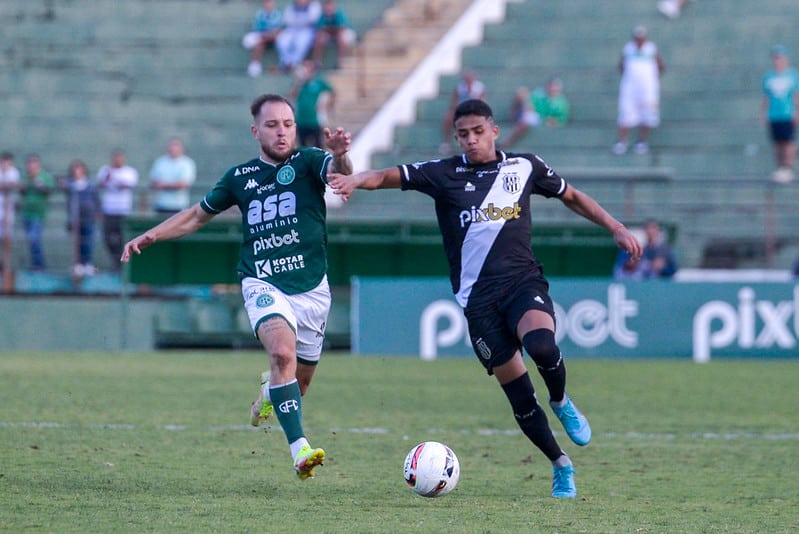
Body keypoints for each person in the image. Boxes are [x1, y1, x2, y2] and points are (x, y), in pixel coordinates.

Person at [328, 99, 642, 498]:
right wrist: (355, 179)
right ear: (456, 136)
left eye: (478, 132)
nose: (471, 140)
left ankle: (561, 400)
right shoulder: (444, 174)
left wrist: (614, 226)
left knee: (543, 346)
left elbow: (573, 196)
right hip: (478, 302)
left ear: (494, 130)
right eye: (463, 134)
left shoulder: (525, 166)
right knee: (521, 397)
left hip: (522, 283)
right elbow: (386, 176)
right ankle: (561, 464)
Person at [121, 93, 353, 481]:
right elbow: (196, 216)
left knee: (299, 384)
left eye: (288, 125)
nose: (281, 132)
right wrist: (152, 235)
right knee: (282, 353)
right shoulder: (239, 178)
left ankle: (268, 395)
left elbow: (340, 173)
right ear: (255, 131)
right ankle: (300, 451)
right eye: (272, 125)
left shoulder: (311, 160)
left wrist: (342, 155)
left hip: (312, 289)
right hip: (262, 280)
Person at [612, 26, 664, 156]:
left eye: (641, 38)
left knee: (647, 114)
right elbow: (621, 65)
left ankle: (642, 142)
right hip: (630, 88)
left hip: (648, 89)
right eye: (637, 38)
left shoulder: (651, 49)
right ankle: (622, 142)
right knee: (626, 114)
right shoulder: (628, 49)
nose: (639, 41)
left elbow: (661, 66)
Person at [760, 45, 799, 184]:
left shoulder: (792, 75)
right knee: (777, 143)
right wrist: (763, 114)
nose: (778, 61)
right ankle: (780, 169)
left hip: (788, 114)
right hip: (773, 115)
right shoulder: (768, 77)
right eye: (776, 58)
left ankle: (788, 168)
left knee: (788, 142)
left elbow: (796, 95)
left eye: (780, 58)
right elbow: (765, 97)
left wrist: (797, 111)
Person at [97, 149, 139, 271]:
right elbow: (100, 185)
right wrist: (107, 177)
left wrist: (114, 179)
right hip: (109, 210)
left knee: (123, 238)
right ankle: (116, 262)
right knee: (107, 237)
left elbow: (127, 185)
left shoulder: (129, 171)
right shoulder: (105, 170)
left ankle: (123, 264)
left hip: (123, 211)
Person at [500, 78, 570, 148]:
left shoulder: (561, 102)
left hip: (543, 120)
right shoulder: (540, 94)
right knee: (522, 92)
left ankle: (508, 141)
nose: (552, 88)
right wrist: (529, 106)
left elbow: (561, 119)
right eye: (551, 86)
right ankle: (514, 117)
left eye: (555, 86)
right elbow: (529, 100)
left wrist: (551, 121)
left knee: (528, 120)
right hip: (533, 114)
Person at [19, 154, 56, 271]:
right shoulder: (25, 176)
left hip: (38, 214)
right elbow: (22, 192)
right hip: (26, 213)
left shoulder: (45, 176)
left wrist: (41, 186)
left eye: (33, 163)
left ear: (38, 164)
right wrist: (23, 187)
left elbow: (50, 190)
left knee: (33, 238)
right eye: (29, 163)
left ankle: (39, 265)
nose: (31, 165)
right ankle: (35, 264)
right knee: (32, 241)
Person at [65, 160, 101, 278]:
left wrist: (97, 212)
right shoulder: (70, 185)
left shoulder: (90, 184)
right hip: (75, 218)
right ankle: (78, 265)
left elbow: (96, 199)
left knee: (88, 242)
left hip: (88, 217)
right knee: (77, 242)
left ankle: (87, 264)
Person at [440, 70, 487, 154]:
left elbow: (482, 102)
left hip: (475, 110)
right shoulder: (459, 87)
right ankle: (446, 143)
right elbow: (454, 102)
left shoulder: (479, 87)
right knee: (448, 117)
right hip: (461, 110)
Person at [290, 59, 335, 148]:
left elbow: (332, 92)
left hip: (314, 121)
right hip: (301, 121)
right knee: (302, 148)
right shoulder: (300, 83)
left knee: (318, 146)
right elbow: (292, 95)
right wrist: (299, 82)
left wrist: (328, 106)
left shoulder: (318, 82)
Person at [148, 138, 196, 214]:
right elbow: (153, 182)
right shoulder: (160, 162)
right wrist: (173, 185)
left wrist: (164, 185)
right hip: (161, 204)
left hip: (179, 205)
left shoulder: (187, 163)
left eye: (176, 146)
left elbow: (184, 184)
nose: (173, 148)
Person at [276, 0, 322, 72]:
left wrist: (298, 20)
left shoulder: (314, 5)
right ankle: (286, 62)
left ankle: (295, 63)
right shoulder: (292, 6)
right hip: (293, 29)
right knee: (281, 40)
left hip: (308, 30)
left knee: (301, 42)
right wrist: (300, 21)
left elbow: (313, 19)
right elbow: (287, 20)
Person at [243, 0, 284, 78]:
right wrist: (265, 34)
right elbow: (258, 28)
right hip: (263, 35)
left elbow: (278, 29)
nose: (268, 4)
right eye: (266, 2)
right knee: (257, 42)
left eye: (270, 2)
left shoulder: (278, 14)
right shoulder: (260, 13)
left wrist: (268, 34)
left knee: (269, 37)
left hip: (275, 36)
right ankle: (255, 65)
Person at [311, 0, 355, 69]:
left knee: (341, 38)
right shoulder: (323, 15)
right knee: (320, 37)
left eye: (330, 5)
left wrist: (329, 29)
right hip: (331, 34)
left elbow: (341, 29)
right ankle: (317, 62)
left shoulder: (338, 14)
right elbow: (319, 30)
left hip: (346, 33)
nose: (328, 8)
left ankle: (342, 62)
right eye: (326, 5)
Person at [0, 152, 20, 243]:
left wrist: (5, 185)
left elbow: (11, 185)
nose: (5, 163)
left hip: (8, 207)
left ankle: (6, 257)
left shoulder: (14, 172)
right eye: (4, 161)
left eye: (7, 161)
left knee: (7, 236)